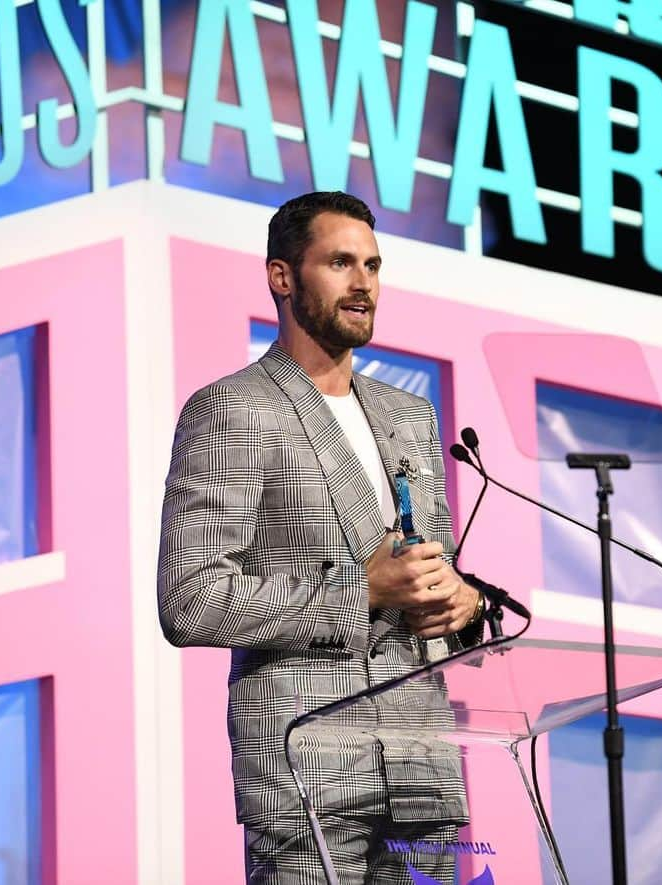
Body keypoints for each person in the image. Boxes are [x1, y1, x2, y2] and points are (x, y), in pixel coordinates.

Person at [157, 191, 485, 884]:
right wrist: (360, 590)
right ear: (282, 277)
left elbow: (434, 561)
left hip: (423, 766)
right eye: (340, 262)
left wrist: (462, 603)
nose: (363, 281)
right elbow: (189, 600)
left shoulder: (409, 415)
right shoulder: (235, 408)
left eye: (372, 264)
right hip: (309, 780)